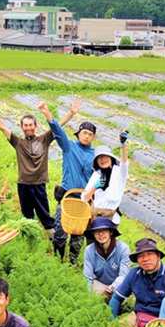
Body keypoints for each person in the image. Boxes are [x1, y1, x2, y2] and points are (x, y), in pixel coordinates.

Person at [0, 97, 82, 238]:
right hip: (23, 186)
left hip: (39, 185)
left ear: (35, 127)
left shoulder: (44, 139)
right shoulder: (18, 142)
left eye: (31, 125)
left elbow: (58, 126)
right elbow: (2, 127)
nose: (28, 128)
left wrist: (71, 113)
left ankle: (54, 244)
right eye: (25, 125)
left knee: (45, 217)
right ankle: (31, 241)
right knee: (27, 216)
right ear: (21, 127)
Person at [37, 101, 95, 264]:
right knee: (60, 231)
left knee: (78, 233)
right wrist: (47, 112)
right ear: (79, 134)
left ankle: (73, 262)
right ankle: (59, 259)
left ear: (92, 137)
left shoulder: (95, 155)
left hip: (83, 200)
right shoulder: (69, 147)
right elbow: (57, 130)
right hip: (67, 197)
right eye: (84, 133)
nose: (86, 136)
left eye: (90, 134)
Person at [108, 238, 165, 327]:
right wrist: (111, 321)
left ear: (158, 256)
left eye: (150, 254)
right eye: (141, 256)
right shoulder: (134, 273)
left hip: (162, 321)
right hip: (138, 316)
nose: (145, 259)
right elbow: (117, 298)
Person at [81, 130, 130, 225]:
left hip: (112, 218)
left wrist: (123, 145)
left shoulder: (119, 172)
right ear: (97, 162)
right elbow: (84, 197)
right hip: (97, 216)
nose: (103, 160)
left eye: (105, 156)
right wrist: (94, 187)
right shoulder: (97, 175)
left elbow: (124, 162)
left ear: (111, 158)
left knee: (109, 240)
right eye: (100, 158)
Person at [82, 217, 131, 303]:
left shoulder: (123, 249)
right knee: (93, 296)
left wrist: (111, 288)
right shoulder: (89, 250)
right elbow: (87, 277)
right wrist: (87, 297)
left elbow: (123, 275)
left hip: (117, 286)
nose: (101, 234)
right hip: (100, 283)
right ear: (93, 234)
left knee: (119, 300)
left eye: (104, 230)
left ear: (111, 232)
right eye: (97, 231)